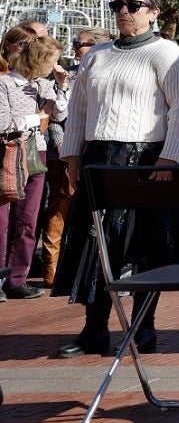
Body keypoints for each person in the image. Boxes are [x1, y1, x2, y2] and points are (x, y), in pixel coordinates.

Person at [53, 0, 179, 358]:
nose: (124, 11)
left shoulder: (167, 52)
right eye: (118, 4)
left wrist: (168, 160)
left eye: (133, 4)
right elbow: (79, 111)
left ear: (153, 12)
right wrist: (72, 157)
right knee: (92, 242)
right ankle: (94, 330)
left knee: (143, 246)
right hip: (99, 159)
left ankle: (143, 326)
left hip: (146, 160)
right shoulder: (95, 56)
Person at [36, 27, 111, 287]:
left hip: (98, 150)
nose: (77, 48)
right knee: (59, 209)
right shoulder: (65, 74)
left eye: (83, 43)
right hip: (65, 152)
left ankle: (91, 267)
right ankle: (51, 271)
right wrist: (66, 149)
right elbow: (57, 119)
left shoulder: (106, 75)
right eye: (76, 43)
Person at [1, 33, 60, 298]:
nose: (56, 65)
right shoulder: (5, 84)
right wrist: (37, 117)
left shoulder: (44, 85)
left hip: (37, 154)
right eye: (53, 61)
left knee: (27, 220)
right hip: (7, 153)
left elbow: (62, 114)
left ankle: (17, 280)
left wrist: (63, 88)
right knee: (2, 219)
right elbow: (3, 124)